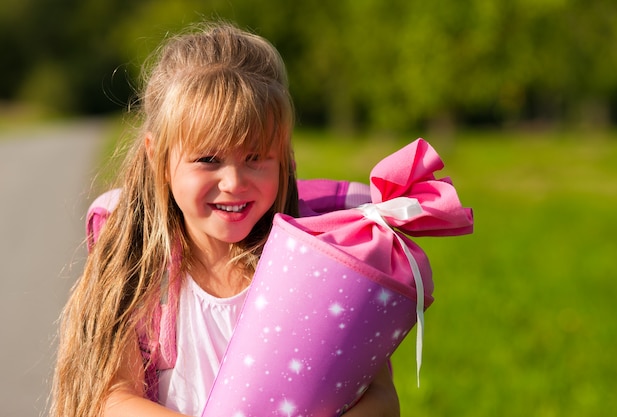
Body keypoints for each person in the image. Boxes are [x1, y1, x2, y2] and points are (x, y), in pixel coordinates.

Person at [50, 22, 400, 417]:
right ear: (158, 158)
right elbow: (111, 398)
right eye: (208, 159)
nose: (233, 183)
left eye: (255, 158)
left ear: (283, 158)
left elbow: (380, 396)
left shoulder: (315, 265)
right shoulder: (139, 267)